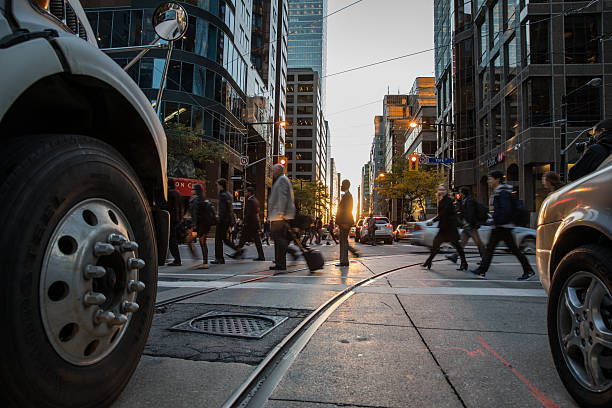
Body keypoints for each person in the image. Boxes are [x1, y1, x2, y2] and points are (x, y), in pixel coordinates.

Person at [470, 171, 535, 280]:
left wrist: (497, 221)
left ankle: (482, 270)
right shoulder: (499, 192)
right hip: (501, 226)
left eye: (490, 179)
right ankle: (482, 270)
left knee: (501, 249)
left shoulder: (503, 193)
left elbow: (506, 210)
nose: (488, 181)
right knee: (500, 248)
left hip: (502, 226)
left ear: (497, 180)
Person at [422, 184, 468, 270]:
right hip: (444, 228)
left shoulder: (448, 200)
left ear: (446, 191)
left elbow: (444, 213)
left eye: (443, 190)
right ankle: (428, 261)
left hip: (450, 228)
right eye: (440, 189)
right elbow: (442, 214)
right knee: (436, 245)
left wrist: (433, 220)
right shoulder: (442, 200)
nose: (441, 191)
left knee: (457, 246)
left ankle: (464, 263)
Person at [446, 186, 486, 264]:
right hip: (467, 226)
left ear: (463, 193)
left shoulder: (469, 201)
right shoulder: (464, 201)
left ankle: (485, 260)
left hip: (470, 226)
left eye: (460, 192)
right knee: (462, 243)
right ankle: (455, 256)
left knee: (478, 243)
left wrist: (468, 223)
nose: (459, 194)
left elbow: (470, 214)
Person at [268, 164, 296, 271]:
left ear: (279, 171)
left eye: (274, 170)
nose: (272, 172)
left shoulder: (282, 180)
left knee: (278, 239)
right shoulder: (281, 180)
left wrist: (280, 212)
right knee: (278, 239)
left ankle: (289, 254)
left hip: (279, 216)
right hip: (278, 216)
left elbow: (282, 197)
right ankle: (280, 263)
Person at [230, 187, 265, 261]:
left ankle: (238, 253)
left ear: (249, 192)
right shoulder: (255, 200)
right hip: (253, 223)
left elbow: (248, 213)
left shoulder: (250, 200)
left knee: (244, 238)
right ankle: (260, 256)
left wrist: (244, 222)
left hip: (249, 224)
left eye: (246, 192)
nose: (245, 193)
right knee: (254, 240)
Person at [211, 178, 239, 264]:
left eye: (218, 185)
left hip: (223, 220)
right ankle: (238, 249)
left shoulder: (223, 195)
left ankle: (219, 258)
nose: (217, 187)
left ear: (221, 185)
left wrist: (218, 218)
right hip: (228, 220)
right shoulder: (229, 195)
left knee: (218, 239)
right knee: (224, 239)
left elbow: (223, 210)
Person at [189, 183, 215, 269]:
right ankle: (203, 262)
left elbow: (195, 215)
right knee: (202, 243)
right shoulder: (203, 199)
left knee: (193, 241)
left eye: (193, 189)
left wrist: (194, 227)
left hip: (199, 226)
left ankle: (201, 261)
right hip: (204, 225)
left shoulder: (195, 200)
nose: (191, 190)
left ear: (196, 190)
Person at [336, 179, 360, 266]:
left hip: (345, 222)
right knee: (343, 241)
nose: (341, 186)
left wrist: (344, 222)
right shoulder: (346, 195)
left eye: (342, 184)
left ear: (346, 185)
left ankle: (344, 261)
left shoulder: (348, 196)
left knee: (343, 241)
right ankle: (346, 259)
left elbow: (347, 210)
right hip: (344, 222)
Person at [167, 178, 184, 266]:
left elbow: (168, 206)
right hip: (177, 219)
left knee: (172, 240)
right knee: (173, 240)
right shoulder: (178, 193)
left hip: (172, 219)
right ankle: (176, 259)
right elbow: (182, 207)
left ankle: (177, 260)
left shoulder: (170, 193)